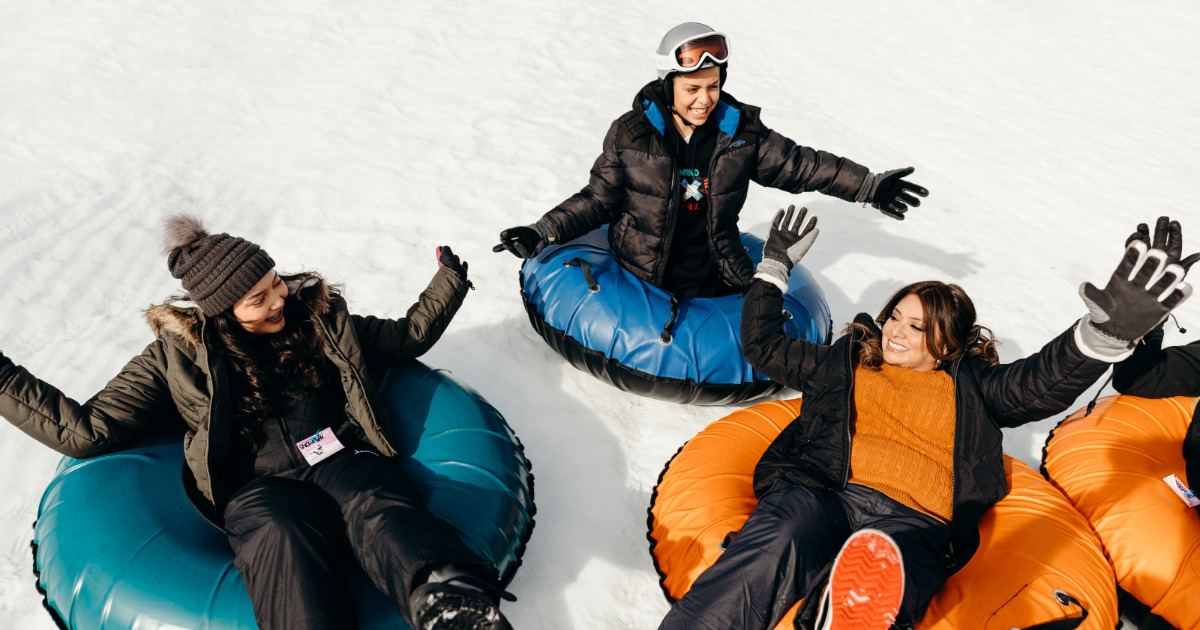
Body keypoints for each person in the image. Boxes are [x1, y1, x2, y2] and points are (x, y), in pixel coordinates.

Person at [657, 206, 1193, 630]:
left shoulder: (977, 389)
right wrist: (773, 269)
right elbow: (764, 345)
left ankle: (846, 617)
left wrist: (1102, 337)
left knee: (893, 569)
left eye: (916, 326)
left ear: (948, 342)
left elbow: (1039, 383)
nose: (895, 331)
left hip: (914, 523)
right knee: (779, 539)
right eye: (895, 316)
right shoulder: (845, 363)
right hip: (822, 491)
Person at [0, 215, 512, 630]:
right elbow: (87, 430)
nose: (278, 300)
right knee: (279, 534)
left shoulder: (319, 320)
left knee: (374, 500)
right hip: (255, 483)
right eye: (258, 298)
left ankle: (449, 599)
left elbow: (403, 339)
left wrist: (448, 281)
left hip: (335, 453)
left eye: (275, 284)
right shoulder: (175, 357)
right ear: (221, 309)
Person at [493, 22, 928, 299]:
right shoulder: (631, 134)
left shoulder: (739, 134)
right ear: (668, 86)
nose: (704, 100)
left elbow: (801, 164)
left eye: (713, 87)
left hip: (718, 268)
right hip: (642, 271)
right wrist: (543, 230)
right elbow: (598, 199)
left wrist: (869, 186)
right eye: (692, 89)